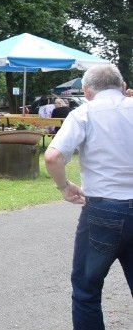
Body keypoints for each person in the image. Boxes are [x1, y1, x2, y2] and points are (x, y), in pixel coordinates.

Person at [44, 64, 133, 330]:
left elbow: (53, 156)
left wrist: (64, 186)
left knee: (86, 289)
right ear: (121, 86)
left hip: (102, 207)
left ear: (86, 90)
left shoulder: (84, 113)